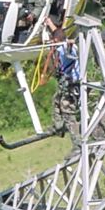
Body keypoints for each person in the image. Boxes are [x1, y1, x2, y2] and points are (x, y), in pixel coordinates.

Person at [45, 17, 80, 156]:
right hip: (65, 83)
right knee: (56, 100)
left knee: (67, 111)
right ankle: (58, 126)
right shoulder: (60, 43)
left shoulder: (66, 48)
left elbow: (68, 49)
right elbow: (58, 35)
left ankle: (77, 144)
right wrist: (50, 24)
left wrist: (70, 44)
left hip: (72, 84)